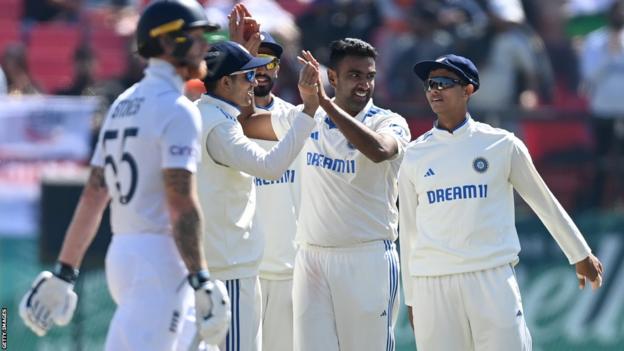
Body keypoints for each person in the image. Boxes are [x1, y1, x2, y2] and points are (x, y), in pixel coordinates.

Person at [18, 1, 232, 350]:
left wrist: (65, 270)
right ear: (168, 42)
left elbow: (92, 195)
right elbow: (180, 202)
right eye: (195, 37)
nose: (205, 47)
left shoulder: (122, 104)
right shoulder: (177, 109)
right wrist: (201, 276)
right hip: (160, 262)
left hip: (124, 254)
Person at [399, 54, 605, 351]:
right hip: (434, 283)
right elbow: (408, 230)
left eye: (444, 82)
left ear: (468, 89)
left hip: (491, 277)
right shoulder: (414, 154)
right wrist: (412, 298)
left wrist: (580, 253)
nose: (435, 90)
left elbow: (542, 201)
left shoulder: (502, 144)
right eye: (431, 84)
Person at [240, 38, 411, 351]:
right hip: (311, 259)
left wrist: (323, 102)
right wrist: (246, 60)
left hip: (367, 257)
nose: (364, 84)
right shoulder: (308, 118)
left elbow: (379, 150)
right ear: (332, 77)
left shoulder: (388, 121)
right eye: (355, 75)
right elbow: (247, 123)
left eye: (369, 76)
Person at [196, 38, 319, 351]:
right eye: (247, 76)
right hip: (231, 270)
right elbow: (269, 166)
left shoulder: (197, 113)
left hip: (208, 266)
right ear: (225, 82)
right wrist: (310, 111)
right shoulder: (221, 126)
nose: (254, 82)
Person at [248, 31, 299, 351]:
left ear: (278, 68)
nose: (262, 69)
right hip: (241, 268)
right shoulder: (218, 120)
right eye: (254, 60)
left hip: (289, 271)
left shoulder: (297, 119)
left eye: (269, 61)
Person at [580, 0, 624, 207]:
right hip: (602, 111)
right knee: (601, 163)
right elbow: (590, 75)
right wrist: (610, 52)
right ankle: (598, 207)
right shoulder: (595, 41)